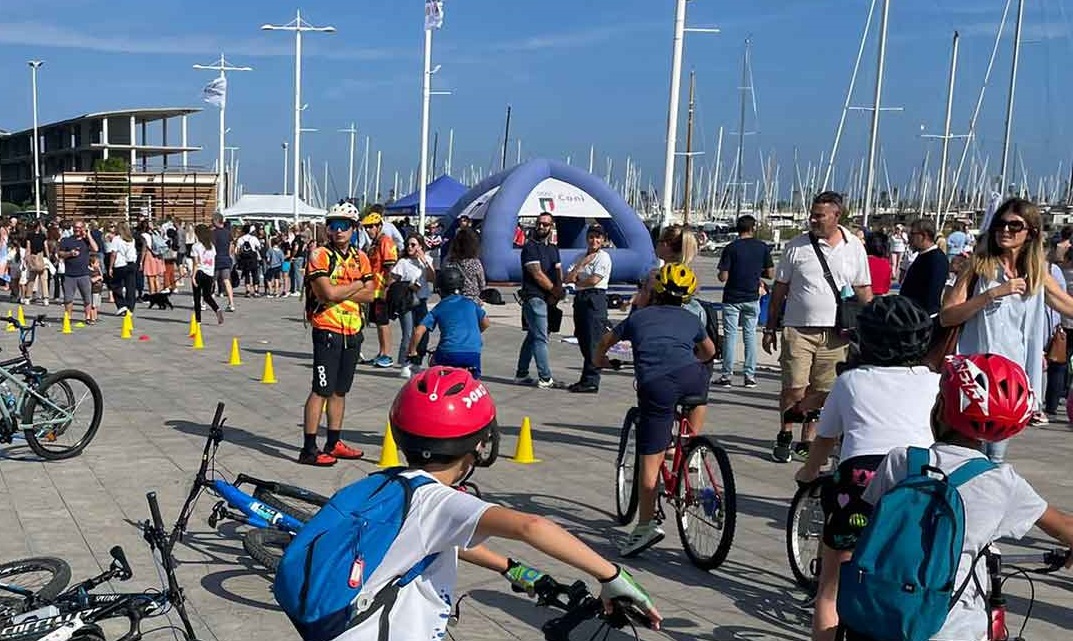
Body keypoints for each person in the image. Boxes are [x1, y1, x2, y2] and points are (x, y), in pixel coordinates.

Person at [295, 366, 660, 640]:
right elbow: (532, 527)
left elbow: (435, 538)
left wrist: (512, 568)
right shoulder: (436, 501)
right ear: (479, 445)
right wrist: (613, 576)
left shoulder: (389, 483)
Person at [845, 353, 1073, 641]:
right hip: (955, 627)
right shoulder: (1002, 484)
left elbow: (872, 525)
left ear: (941, 410)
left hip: (882, 613)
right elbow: (1065, 526)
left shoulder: (902, 461)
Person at [793, 296, 939, 641]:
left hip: (859, 481)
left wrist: (808, 472)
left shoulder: (851, 381)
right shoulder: (933, 382)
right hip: (917, 480)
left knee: (831, 587)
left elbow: (825, 439)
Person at [594, 263, 717, 557]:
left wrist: (600, 361)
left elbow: (606, 341)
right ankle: (689, 446)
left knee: (649, 465)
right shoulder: (691, 319)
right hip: (692, 376)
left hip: (657, 384)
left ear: (656, 290)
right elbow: (710, 351)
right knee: (697, 396)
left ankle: (646, 525)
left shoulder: (639, 317)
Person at [940, 198, 1073, 462]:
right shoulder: (979, 266)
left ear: (1031, 232)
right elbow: (947, 316)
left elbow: (1066, 305)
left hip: (1009, 383)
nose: (1006, 231)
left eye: (1015, 225)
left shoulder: (1036, 273)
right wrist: (992, 294)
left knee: (996, 459)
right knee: (965, 455)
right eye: (1000, 224)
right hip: (974, 377)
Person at [763, 191, 873, 463]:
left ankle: (808, 438)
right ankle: (785, 432)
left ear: (837, 216)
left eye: (819, 215)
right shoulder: (796, 246)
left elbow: (862, 287)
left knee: (822, 391)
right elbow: (780, 289)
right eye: (812, 214)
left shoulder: (854, 247)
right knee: (795, 387)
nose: (812, 219)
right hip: (799, 329)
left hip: (837, 333)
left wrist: (874, 321)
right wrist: (770, 326)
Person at [300, 203, 376, 467]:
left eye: (344, 225)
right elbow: (326, 294)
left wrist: (343, 288)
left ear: (354, 229)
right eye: (333, 225)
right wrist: (356, 285)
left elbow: (372, 293)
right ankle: (309, 448)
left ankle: (334, 442)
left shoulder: (361, 257)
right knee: (320, 389)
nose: (338, 230)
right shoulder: (319, 255)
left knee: (340, 391)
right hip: (327, 329)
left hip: (353, 329)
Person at [715, 215, 774, 388]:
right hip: (752, 297)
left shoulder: (731, 248)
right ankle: (750, 376)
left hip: (732, 297)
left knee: (730, 336)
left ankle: (727, 375)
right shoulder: (762, 248)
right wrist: (756, 273)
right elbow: (770, 274)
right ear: (753, 228)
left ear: (737, 228)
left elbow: (722, 277)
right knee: (749, 336)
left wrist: (728, 272)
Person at [408, 267, 489, 379]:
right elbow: (486, 323)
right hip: (473, 353)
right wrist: (474, 332)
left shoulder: (439, 307)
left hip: (447, 353)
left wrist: (412, 351)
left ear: (440, 289)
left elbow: (418, 331)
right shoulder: (471, 303)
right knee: (473, 381)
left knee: (435, 366)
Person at [514, 212, 565, 389]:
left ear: (552, 227)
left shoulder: (553, 249)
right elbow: (536, 273)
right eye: (539, 224)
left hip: (548, 297)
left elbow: (558, 271)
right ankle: (545, 377)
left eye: (546, 224)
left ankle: (521, 374)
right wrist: (554, 290)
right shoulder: (530, 248)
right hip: (534, 297)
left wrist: (558, 291)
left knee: (533, 336)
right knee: (541, 337)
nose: (542, 227)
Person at [564, 224, 612, 393]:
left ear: (603, 240)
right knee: (583, 339)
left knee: (593, 341)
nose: (594, 240)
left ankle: (592, 380)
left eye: (598, 237)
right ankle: (585, 378)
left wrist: (578, 281)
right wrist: (581, 265)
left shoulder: (603, 258)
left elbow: (594, 280)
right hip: (581, 299)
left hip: (595, 298)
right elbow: (567, 277)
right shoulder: (580, 257)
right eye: (591, 237)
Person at [392, 234, 436, 378]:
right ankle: (405, 363)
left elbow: (432, 278)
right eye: (408, 245)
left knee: (423, 333)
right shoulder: (403, 262)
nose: (410, 247)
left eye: (413, 245)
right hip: (407, 301)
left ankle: (416, 361)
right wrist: (407, 285)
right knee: (408, 333)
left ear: (420, 246)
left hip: (421, 300)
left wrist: (424, 261)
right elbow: (392, 282)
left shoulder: (427, 260)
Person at [362, 211, 399, 368]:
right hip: (373, 289)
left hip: (381, 288)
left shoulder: (385, 241)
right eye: (366, 227)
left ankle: (387, 354)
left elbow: (390, 266)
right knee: (378, 322)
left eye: (371, 227)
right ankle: (381, 352)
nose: (368, 230)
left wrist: (386, 287)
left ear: (378, 226)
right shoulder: (375, 243)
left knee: (383, 322)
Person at [899, 218, 949, 317]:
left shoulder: (937, 259)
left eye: (912, 234)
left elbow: (932, 294)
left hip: (921, 318)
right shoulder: (923, 255)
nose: (909, 239)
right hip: (911, 313)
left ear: (923, 236)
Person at [57, 219, 98, 324]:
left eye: (80, 227)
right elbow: (60, 254)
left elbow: (95, 249)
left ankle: (88, 317)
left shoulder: (86, 240)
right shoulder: (66, 240)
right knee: (68, 298)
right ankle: (68, 317)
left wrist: (88, 235)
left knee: (87, 298)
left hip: (84, 273)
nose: (77, 230)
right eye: (75, 227)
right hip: (70, 274)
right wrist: (70, 254)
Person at [191, 224, 224, 326]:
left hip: (199, 272)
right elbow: (212, 260)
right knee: (207, 296)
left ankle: (198, 321)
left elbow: (196, 263)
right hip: (209, 273)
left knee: (197, 297)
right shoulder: (211, 246)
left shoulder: (196, 246)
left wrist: (193, 276)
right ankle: (217, 309)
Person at [443, 227, 485, 301]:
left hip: (453, 299)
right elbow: (482, 283)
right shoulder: (474, 262)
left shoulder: (449, 261)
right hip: (471, 299)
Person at [108, 222, 138, 315]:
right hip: (131, 264)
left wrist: (110, 267)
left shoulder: (116, 239)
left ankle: (121, 305)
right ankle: (130, 307)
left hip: (120, 265)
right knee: (130, 287)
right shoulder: (131, 239)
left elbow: (113, 254)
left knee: (115, 285)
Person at [211, 213, 236, 311]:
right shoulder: (228, 233)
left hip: (216, 259)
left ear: (216, 221)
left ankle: (203, 302)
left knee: (211, 281)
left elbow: (211, 247)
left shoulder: (213, 233)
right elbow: (231, 248)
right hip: (226, 259)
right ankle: (231, 303)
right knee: (226, 281)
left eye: (212, 220)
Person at [87, 254, 103, 324]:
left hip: (98, 290)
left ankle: (95, 317)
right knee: (93, 305)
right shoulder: (89, 271)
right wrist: (98, 277)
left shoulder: (97, 269)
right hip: (93, 290)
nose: (98, 264)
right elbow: (91, 280)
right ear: (92, 263)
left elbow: (102, 275)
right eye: (97, 263)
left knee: (96, 305)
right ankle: (92, 318)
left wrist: (99, 269)